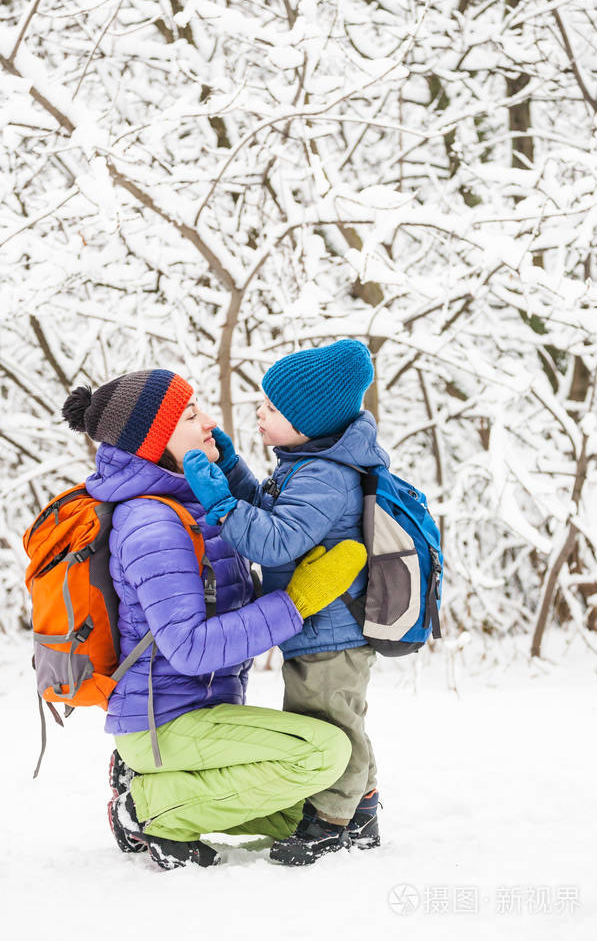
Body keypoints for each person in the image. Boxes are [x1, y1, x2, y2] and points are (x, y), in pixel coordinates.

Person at [61, 368, 366, 871]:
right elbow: (190, 648)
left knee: (312, 809)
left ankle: (150, 787)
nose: (208, 420)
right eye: (189, 414)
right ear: (157, 438)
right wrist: (297, 603)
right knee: (324, 755)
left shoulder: (189, 502)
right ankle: (147, 808)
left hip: (200, 713)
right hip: (167, 723)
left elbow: (264, 518)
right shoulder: (153, 522)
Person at [183, 339, 390, 866]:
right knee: (337, 717)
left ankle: (331, 821)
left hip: (332, 630)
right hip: (317, 626)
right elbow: (272, 514)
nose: (260, 411)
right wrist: (231, 469)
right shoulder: (309, 461)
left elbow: (275, 540)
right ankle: (359, 808)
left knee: (330, 724)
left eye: (273, 408)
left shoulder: (325, 476)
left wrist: (219, 505)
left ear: (308, 421)